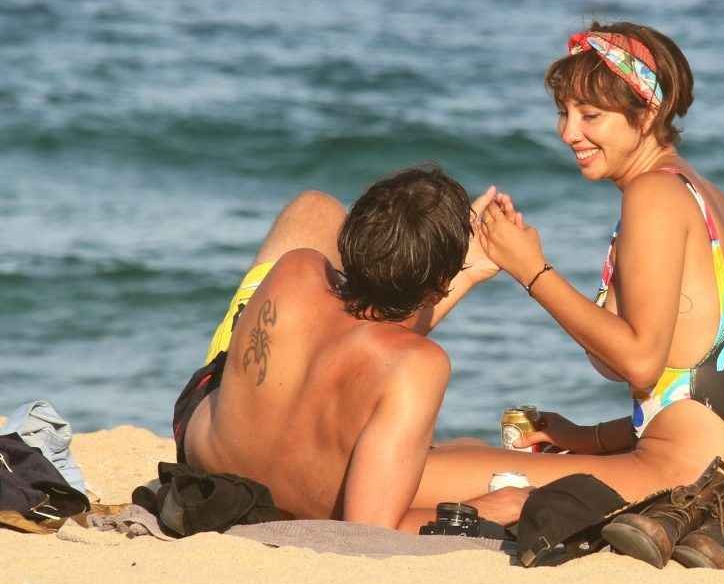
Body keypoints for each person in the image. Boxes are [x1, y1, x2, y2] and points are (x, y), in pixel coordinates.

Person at [412, 22, 724, 538]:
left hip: (687, 482)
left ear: (649, 113)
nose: (568, 132)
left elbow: (640, 361)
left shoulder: (653, 196)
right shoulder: (703, 196)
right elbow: (704, 390)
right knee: (461, 451)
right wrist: (585, 437)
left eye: (590, 115)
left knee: (409, 476)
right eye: (564, 112)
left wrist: (529, 268)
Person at [171, 165, 529, 532]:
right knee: (526, 469)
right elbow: (369, 528)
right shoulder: (421, 364)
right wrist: (485, 509)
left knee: (313, 209)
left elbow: (367, 326)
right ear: (439, 287)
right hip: (297, 512)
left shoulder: (296, 266)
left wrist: (460, 273)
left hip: (203, 464)